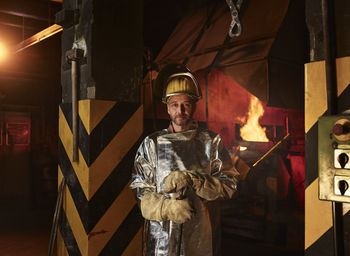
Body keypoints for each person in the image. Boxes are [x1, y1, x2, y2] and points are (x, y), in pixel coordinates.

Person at [130, 66, 239, 256]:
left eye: (186, 104)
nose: (180, 110)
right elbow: (140, 190)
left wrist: (196, 180)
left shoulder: (211, 141)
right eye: (174, 105)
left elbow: (229, 185)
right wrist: (166, 207)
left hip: (201, 233)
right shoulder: (152, 144)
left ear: (194, 106)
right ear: (167, 107)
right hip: (161, 238)